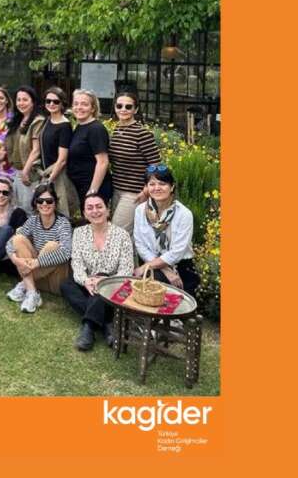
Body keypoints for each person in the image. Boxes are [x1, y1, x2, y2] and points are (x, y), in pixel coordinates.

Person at [60, 193, 134, 351]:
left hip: (114, 285)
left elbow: (127, 269)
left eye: (99, 206)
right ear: (85, 214)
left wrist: (104, 282)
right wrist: (86, 281)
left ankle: (88, 327)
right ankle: (107, 323)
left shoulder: (122, 235)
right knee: (66, 285)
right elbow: (77, 263)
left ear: (108, 210)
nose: (95, 211)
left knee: (103, 284)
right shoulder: (79, 233)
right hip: (89, 284)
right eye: (90, 208)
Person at [133, 165, 200, 296]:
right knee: (148, 295)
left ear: (172, 187)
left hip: (180, 267)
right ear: (146, 187)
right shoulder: (140, 210)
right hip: (151, 264)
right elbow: (140, 244)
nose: (157, 188)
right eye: (152, 184)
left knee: (179, 303)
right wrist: (164, 269)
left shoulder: (184, 214)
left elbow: (177, 252)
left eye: (162, 184)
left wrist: (147, 267)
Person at [6, 183, 73, 313]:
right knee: (18, 239)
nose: (44, 204)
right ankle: (32, 292)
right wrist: (15, 259)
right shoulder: (33, 221)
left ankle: (23, 284)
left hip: (55, 280)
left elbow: (66, 252)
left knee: (52, 246)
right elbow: (10, 243)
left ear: (55, 203)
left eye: (49, 201)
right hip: (36, 278)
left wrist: (36, 262)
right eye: (40, 201)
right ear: (36, 203)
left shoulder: (63, 223)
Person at [108, 92, 162, 233]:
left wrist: (146, 190)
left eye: (128, 106)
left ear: (136, 109)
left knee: (117, 232)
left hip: (134, 193)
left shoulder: (142, 133)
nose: (123, 109)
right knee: (127, 235)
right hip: (117, 190)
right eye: (119, 106)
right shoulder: (117, 130)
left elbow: (156, 165)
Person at [66, 88, 113, 207]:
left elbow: (103, 162)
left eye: (84, 104)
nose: (79, 107)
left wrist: (92, 192)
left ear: (93, 108)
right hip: (81, 186)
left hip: (94, 189)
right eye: (76, 104)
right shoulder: (79, 127)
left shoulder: (96, 129)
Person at [6, 86, 47, 212]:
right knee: (15, 209)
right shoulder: (17, 120)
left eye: (25, 100)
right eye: (18, 100)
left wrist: (25, 171)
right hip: (15, 172)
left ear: (33, 102)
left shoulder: (37, 121)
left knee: (28, 209)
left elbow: (36, 150)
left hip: (29, 173)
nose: (21, 103)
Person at [39, 87, 77, 218]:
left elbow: (62, 160)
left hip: (57, 175)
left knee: (60, 211)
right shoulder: (47, 120)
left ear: (62, 103)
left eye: (56, 101)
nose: (51, 104)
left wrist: (49, 181)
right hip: (45, 173)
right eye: (48, 101)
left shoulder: (65, 126)